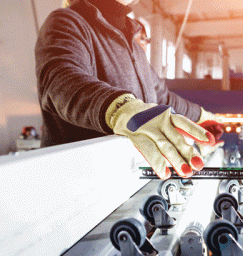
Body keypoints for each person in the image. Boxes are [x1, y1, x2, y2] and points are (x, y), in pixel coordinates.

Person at [36, 0, 224, 179]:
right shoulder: (67, 21)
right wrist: (121, 109)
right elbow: (60, 79)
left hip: (126, 181)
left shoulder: (134, 46)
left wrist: (202, 116)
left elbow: (162, 96)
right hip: (77, 187)